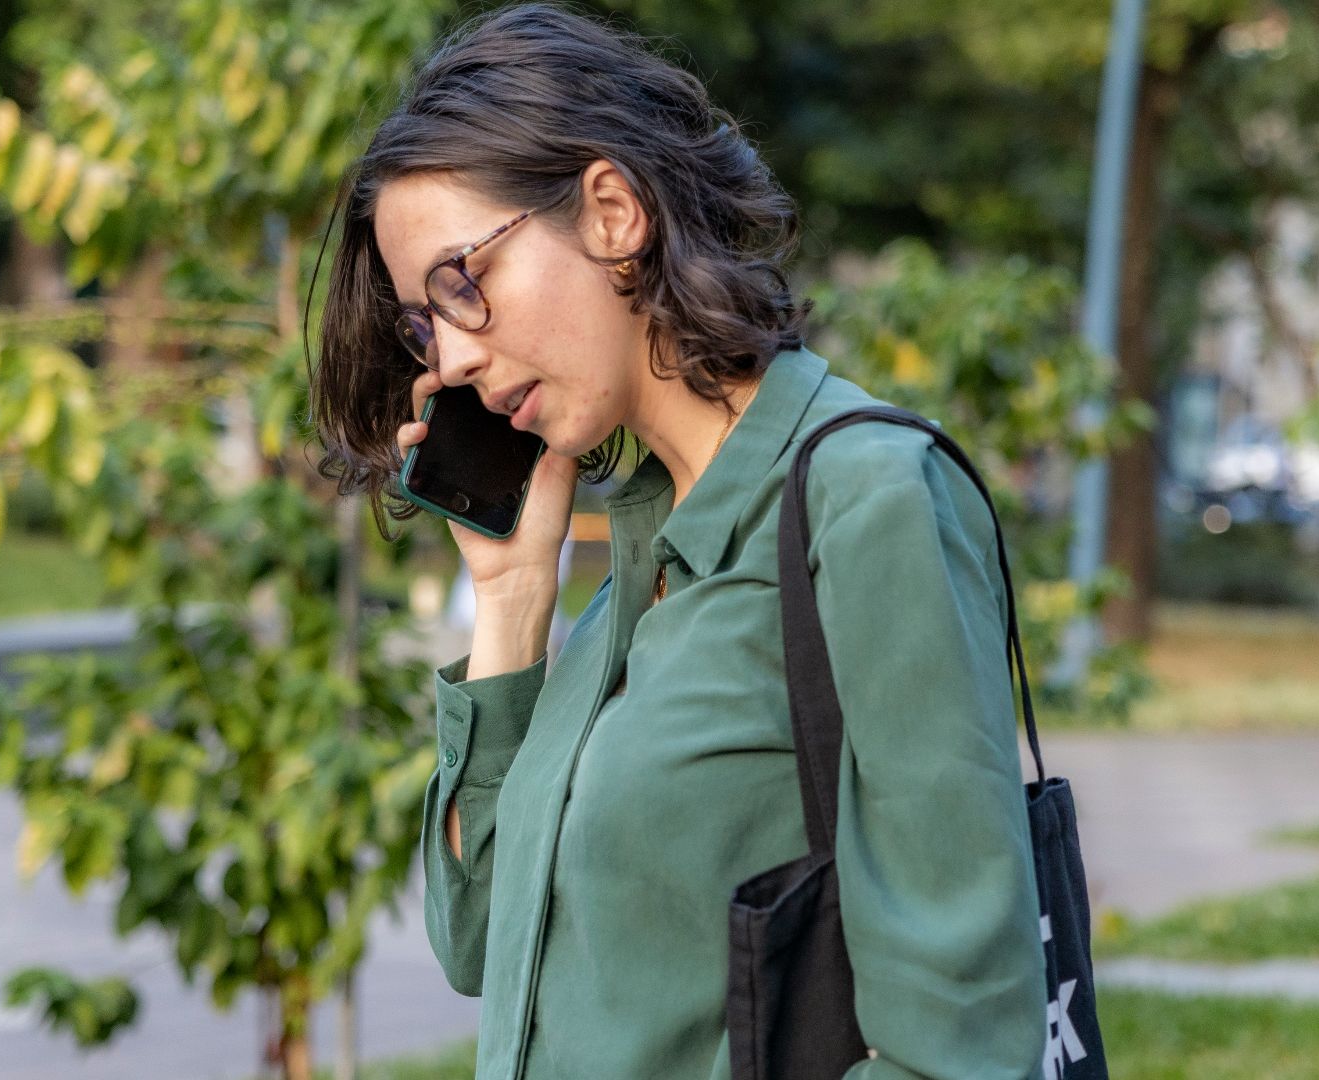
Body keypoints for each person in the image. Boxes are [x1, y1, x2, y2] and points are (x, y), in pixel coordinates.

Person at [308, 5, 1046, 1077]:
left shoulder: (866, 499)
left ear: (611, 212)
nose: (454, 356)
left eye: (465, 283)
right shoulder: (639, 555)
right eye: (429, 322)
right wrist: (515, 599)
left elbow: (963, 1043)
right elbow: (478, 941)